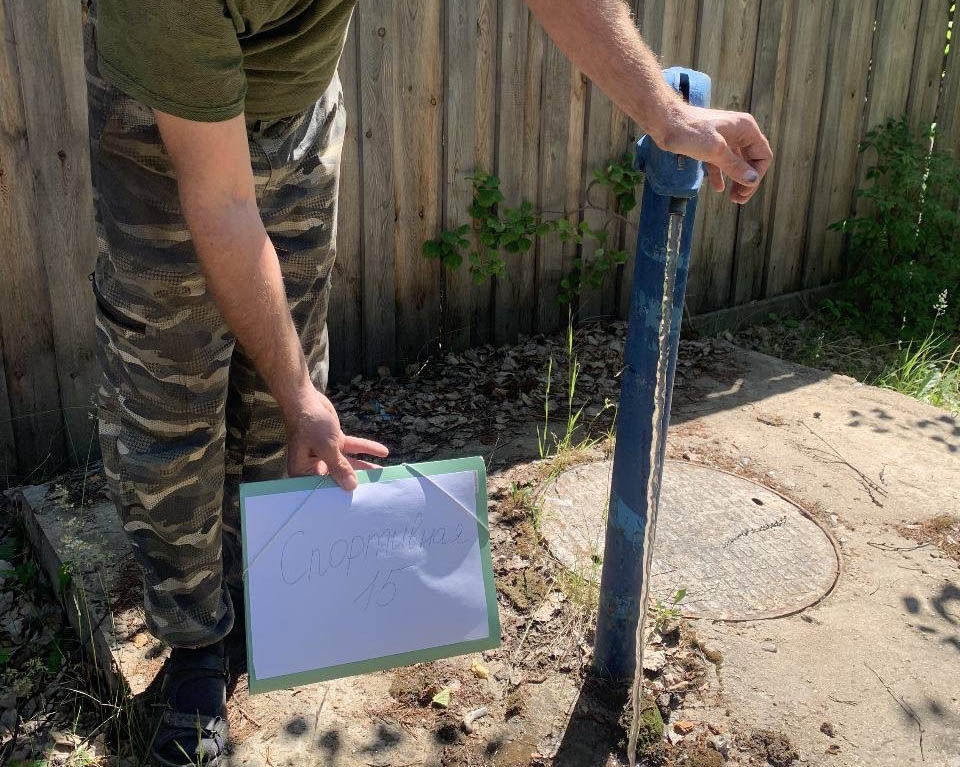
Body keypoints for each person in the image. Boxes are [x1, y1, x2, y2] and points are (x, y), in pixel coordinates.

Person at [85, 0, 772, 764]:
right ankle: (194, 645)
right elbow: (221, 202)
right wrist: (300, 393)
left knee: (281, 386)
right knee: (173, 396)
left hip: (298, 115)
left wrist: (667, 114)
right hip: (162, 127)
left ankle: (263, 591)